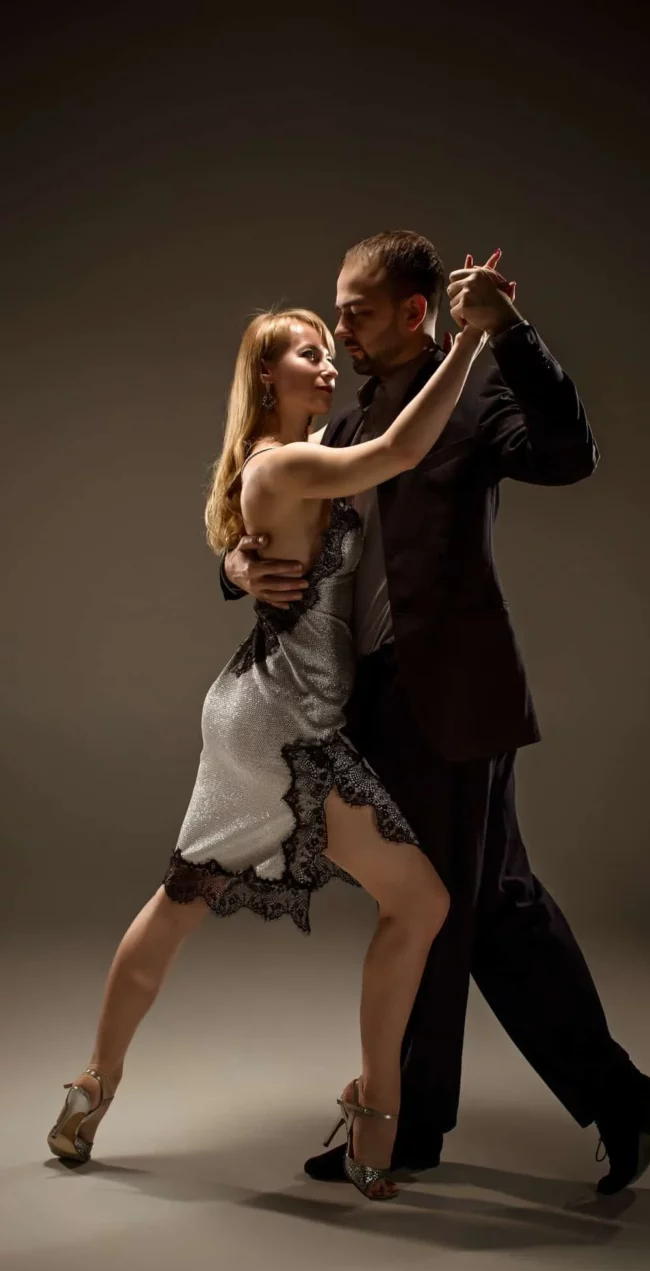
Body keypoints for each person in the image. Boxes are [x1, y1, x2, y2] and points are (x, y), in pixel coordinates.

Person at [221, 232, 650, 1196]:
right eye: (337, 311)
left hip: (453, 695)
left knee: (432, 911)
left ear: (416, 313)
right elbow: (277, 513)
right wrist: (239, 564)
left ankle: (406, 1128)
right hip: (376, 701)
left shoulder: (477, 393)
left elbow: (569, 456)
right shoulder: (347, 421)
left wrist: (516, 335)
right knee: (491, 906)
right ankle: (620, 1101)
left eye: (358, 312)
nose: (341, 329)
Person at [47, 296, 492, 1200]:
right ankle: (377, 1115)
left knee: (183, 896)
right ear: (264, 374)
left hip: (262, 706)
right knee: (420, 903)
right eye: (306, 354)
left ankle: (93, 1085)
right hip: (287, 723)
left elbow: (299, 513)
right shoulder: (284, 461)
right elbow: (399, 452)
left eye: (330, 350)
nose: (328, 365)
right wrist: (473, 341)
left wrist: (235, 566)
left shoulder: (287, 455)